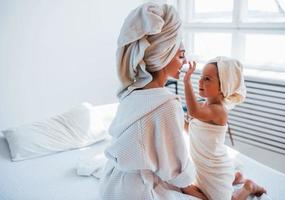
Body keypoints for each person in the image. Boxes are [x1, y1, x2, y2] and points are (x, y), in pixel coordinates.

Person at [98, 3, 205, 200]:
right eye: (181, 55)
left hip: (112, 184)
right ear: (163, 56)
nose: (185, 62)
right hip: (137, 192)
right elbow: (173, 165)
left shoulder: (131, 92)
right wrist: (186, 184)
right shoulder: (167, 103)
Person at [182, 57, 267, 200]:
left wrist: (186, 81)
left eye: (207, 79)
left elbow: (193, 112)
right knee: (191, 187)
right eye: (201, 77)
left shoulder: (219, 110)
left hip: (215, 169)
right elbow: (191, 130)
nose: (200, 81)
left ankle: (248, 187)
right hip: (203, 168)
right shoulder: (203, 105)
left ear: (223, 87)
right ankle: (235, 177)